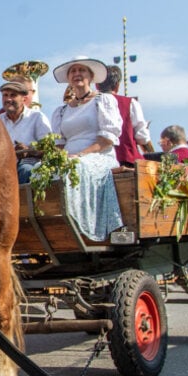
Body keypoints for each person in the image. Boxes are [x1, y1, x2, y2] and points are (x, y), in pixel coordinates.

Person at [51, 57, 124, 241]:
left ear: (91, 76)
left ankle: (82, 225)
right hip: (70, 157)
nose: (77, 74)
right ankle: (56, 226)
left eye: (82, 70)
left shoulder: (103, 101)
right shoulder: (61, 111)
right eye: (73, 71)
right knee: (38, 172)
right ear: (68, 79)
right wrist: (63, 157)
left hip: (99, 156)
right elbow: (59, 144)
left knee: (77, 168)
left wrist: (81, 155)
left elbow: (107, 138)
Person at [95, 65, 153, 166]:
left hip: (97, 162)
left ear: (96, 85)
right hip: (127, 161)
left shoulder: (89, 105)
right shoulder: (130, 103)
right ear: (117, 85)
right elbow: (142, 137)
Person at [0, 79, 52, 183]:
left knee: (25, 170)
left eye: (13, 95)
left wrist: (28, 151)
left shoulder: (37, 117)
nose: (8, 99)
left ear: (24, 98)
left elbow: (49, 150)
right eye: (5, 95)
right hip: (4, 167)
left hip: (29, 164)